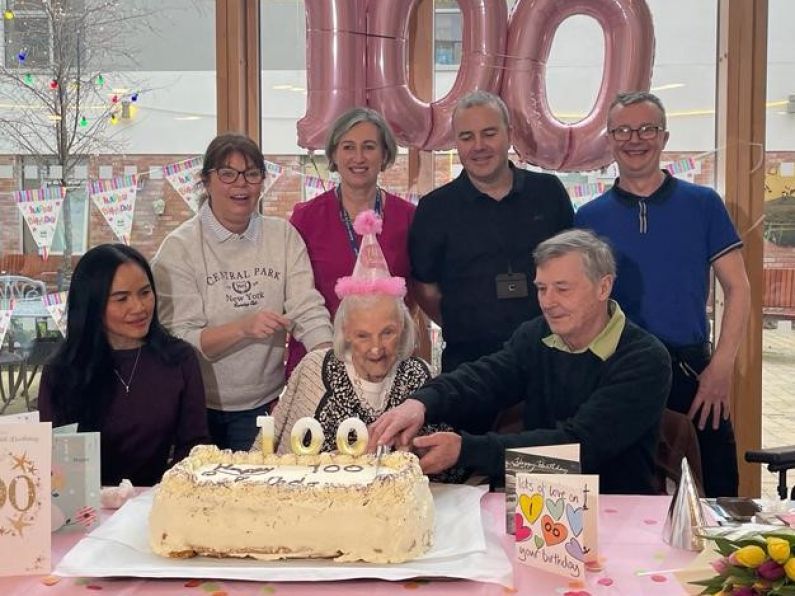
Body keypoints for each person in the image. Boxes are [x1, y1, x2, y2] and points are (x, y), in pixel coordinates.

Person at [369, 230, 671, 494]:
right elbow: (486, 378)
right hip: (535, 503)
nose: (548, 302)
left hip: (617, 510)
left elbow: (577, 449)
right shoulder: (537, 334)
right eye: (542, 288)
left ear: (603, 287)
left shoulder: (644, 358)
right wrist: (420, 403)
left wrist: (466, 450)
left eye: (562, 289)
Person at [575, 91, 751, 497]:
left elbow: (738, 288)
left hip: (692, 372)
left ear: (664, 137)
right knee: (618, 491)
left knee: (717, 489)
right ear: (610, 139)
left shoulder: (703, 204)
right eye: (623, 130)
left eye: (647, 128)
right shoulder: (587, 218)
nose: (635, 139)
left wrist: (721, 369)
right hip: (614, 370)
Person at [152, 133, 332, 452]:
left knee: (256, 494)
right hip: (194, 406)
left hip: (264, 405)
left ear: (262, 182)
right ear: (206, 181)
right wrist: (243, 328)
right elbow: (180, 338)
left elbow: (307, 308)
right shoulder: (179, 248)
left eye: (251, 174)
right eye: (227, 173)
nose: (241, 184)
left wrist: (330, 363)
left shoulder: (283, 237)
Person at [409, 90, 574, 375]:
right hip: (469, 364)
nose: (478, 146)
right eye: (466, 137)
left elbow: (572, 270)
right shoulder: (434, 208)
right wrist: (467, 322)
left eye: (489, 133)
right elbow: (425, 289)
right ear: (456, 143)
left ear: (509, 134)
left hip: (550, 358)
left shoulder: (549, 193)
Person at [38, 244, 209, 486]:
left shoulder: (179, 358)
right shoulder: (61, 371)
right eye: (122, 298)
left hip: (157, 501)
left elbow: (194, 445)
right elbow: (52, 461)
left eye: (145, 292)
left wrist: (165, 492)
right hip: (84, 508)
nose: (139, 308)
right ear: (92, 305)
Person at [286, 107, 416, 377]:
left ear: (384, 155)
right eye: (348, 147)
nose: (359, 157)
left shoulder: (408, 217)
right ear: (333, 155)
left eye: (369, 147)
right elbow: (295, 295)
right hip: (320, 359)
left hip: (386, 362)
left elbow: (414, 295)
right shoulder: (305, 218)